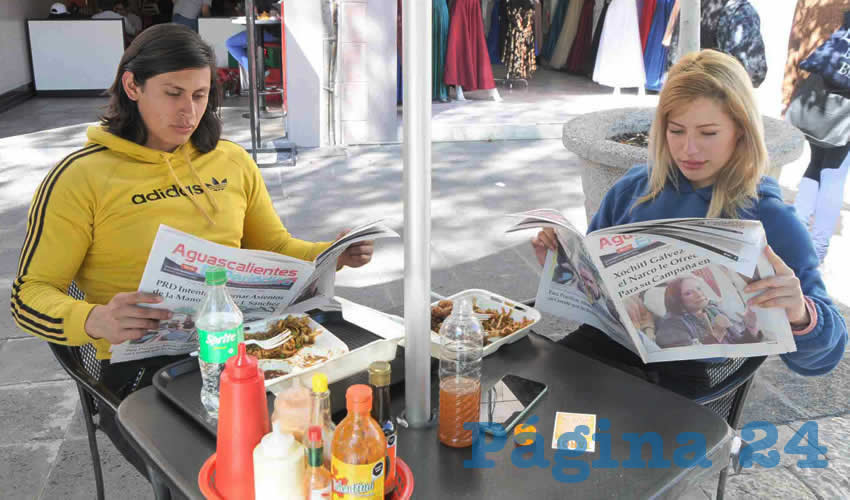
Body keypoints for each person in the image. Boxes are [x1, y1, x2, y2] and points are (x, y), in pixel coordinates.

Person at [10, 24, 373, 474]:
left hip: (244, 344)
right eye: (173, 93)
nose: (189, 111)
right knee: (232, 466)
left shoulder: (230, 160)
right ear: (132, 86)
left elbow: (275, 246)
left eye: (201, 95)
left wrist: (330, 252)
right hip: (148, 364)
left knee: (344, 419)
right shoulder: (78, 178)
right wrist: (95, 319)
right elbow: (29, 294)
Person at [532, 50, 846, 393]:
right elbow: (596, 284)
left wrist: (801, 314)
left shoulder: (769, 216)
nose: (688, 149)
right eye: (676, 130)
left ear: (741, 132)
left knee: (609, 438)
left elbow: (825, 357)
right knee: (519, 411)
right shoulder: (633, 189)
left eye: (708, 133)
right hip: (599, 347)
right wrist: (563, 265)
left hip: (675, 377)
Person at [656, 277, 762, 348]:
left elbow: (740, 344)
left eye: (698, 288)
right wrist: (717, 333)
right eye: (688, 293)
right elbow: (689, 359)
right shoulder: (671, 324)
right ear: (677, 300)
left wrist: (751, 326)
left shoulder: (713, 310)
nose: (699, 294)